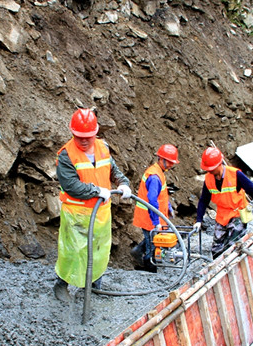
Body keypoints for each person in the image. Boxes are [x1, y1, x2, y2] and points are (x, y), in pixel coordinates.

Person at [54, 108, 131, 302]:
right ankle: (61, 284)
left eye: (88, 137)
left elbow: (113, 170)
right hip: (77, 214)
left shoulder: (103, 148)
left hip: (101, 214)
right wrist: (96, 191)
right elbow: (71, 186)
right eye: (79, 137)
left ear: (95, 133)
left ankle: (94, 285)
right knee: (73, 251)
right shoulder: (66, 155)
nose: (84, 141)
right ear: (73, 133)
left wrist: (123, 183)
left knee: (98, 250)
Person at [193, 146, 253, 257]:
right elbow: (204, 200)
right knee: (216, 249)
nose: (210, 171)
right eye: (208, 169)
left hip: (237, 214)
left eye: (212, 168)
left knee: (233, 248)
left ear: (219, 164)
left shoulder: (235, 174)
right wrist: (199, 220)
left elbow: (252, 189)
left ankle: (236, 264)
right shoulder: (209, 179)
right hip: (222, 215)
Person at [131, 144, 179, 272]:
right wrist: (156, 222)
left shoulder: (158, 172)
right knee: (152, 245)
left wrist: (168, 206)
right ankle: (149, 267)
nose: (171, 165)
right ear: (161, 159)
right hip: (150, 218)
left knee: (151, 239)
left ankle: (137, 251)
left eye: (172, 162)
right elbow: (152, 200)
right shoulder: (154, 177)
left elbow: (161, 194)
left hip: (152, 216)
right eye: (169, 162)